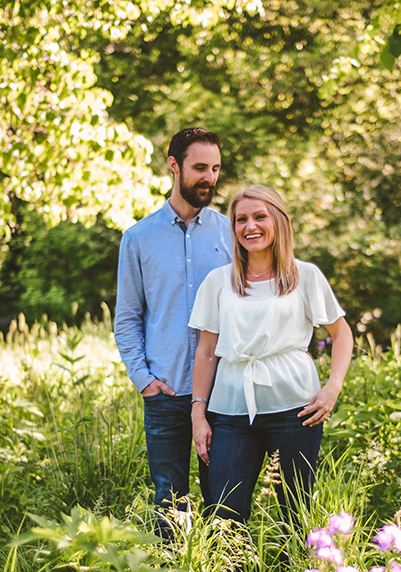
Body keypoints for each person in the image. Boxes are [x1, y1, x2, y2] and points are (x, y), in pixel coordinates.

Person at [188, 185, 353, 530]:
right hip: (231, 411)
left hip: (296, 409)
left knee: (297, 511)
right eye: (241, 219)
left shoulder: (304, 276)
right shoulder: (218, 282)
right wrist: (198, 413)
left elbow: (341, 334)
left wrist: (332, 388)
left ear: (278, 221)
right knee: (224, 513)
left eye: (260, 216)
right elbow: (205, 352)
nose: (250, 226)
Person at [114, 128, 233, 538]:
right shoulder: (138, 238)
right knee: (169, 503)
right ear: (173, 165)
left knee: (224, 501)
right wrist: (143, 380)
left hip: (222, 392)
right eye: (200, 168)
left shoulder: (230, 233)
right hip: (164, 393)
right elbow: (127, 317)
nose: (209, 178)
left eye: (215, 169)